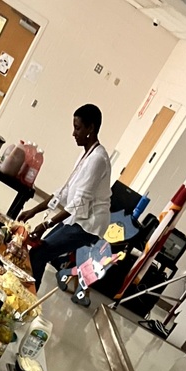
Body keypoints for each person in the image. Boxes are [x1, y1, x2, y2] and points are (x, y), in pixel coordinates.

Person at [21, 104, 112, 290]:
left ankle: (26, 302)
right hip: (77, 217)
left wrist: (46, 224)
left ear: (91, 128)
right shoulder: (86, 154)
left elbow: (79, 203)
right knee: (37, 249)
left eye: (77, 128)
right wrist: (33, 211)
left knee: (39, 254)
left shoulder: (97, 159)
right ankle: (24, 295)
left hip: (88, 224)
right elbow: (64, 191)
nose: (73, 133)